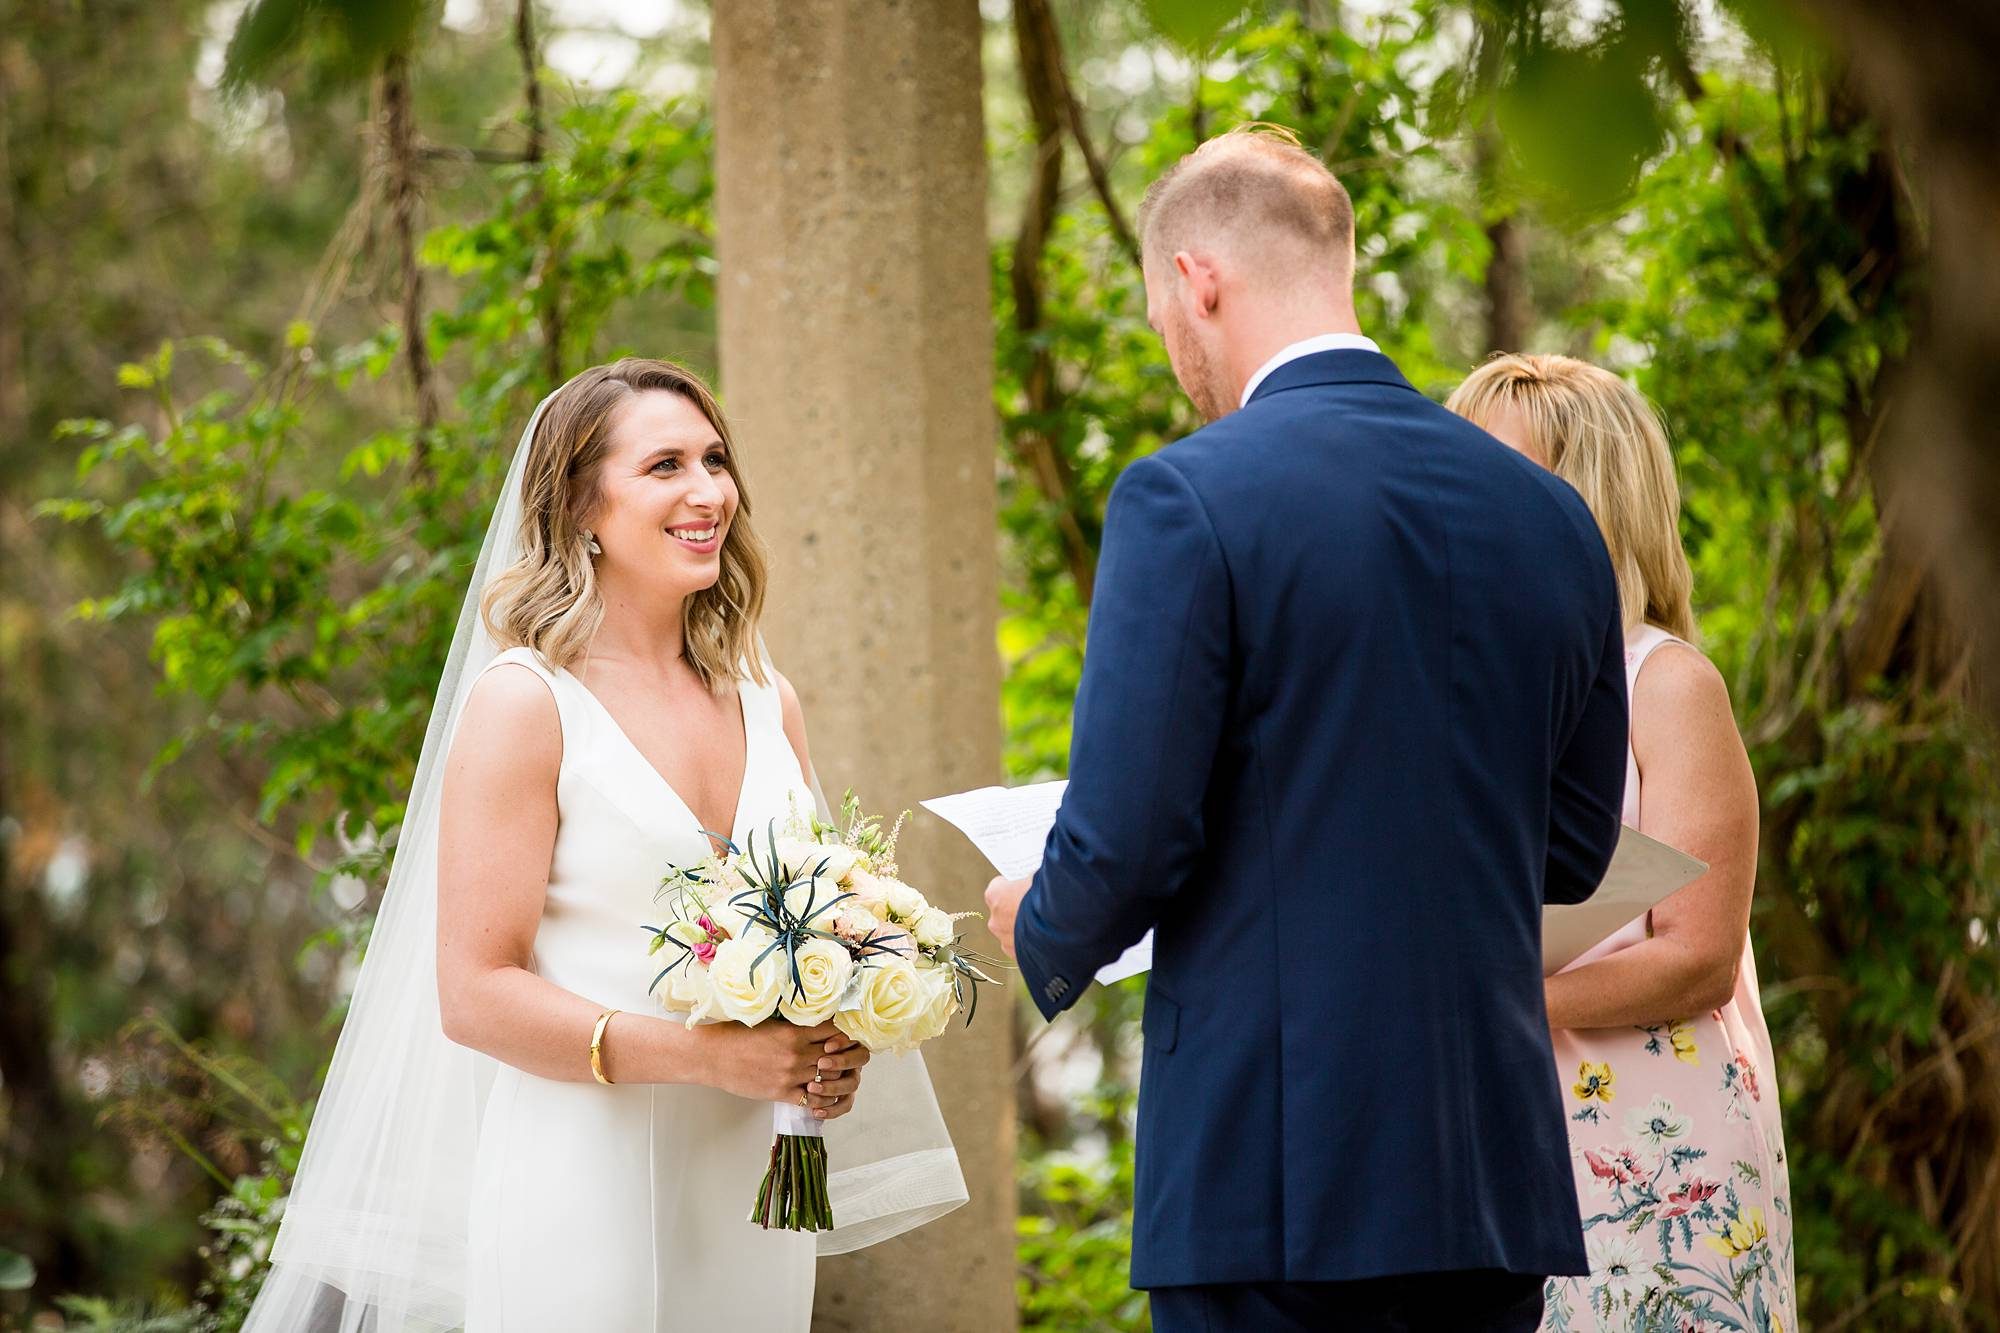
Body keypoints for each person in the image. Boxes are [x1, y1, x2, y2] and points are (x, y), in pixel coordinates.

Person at [982, 125, 1628, 1332]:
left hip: (1270, 1176)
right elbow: (1574, 848)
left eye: (1158, 313)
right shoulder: (1550, 518)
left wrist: (1043, 923)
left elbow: (1126, 839)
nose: (1172, 348)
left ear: (1196, 280)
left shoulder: (1186, 497)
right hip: (1487, 1184)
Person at [245, 360, 966, 1333]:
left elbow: (815, 915)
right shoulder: (526, 704)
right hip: (579, 1179)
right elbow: (475, 992)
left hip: (753, 1183)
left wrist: (827, 1034)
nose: (707, 490)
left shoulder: (768, 698)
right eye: (664, 465)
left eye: (714, 460)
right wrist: (709, 1059)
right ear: (582, 504)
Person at [1448, 353, 1797, 1333]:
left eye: (1497, 472)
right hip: (1484, 1133)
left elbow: (1695, 956)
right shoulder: (1456, 693)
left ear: (1589, 497)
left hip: (1649, 1152)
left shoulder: (1665, 684)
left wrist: (1481, 1004)